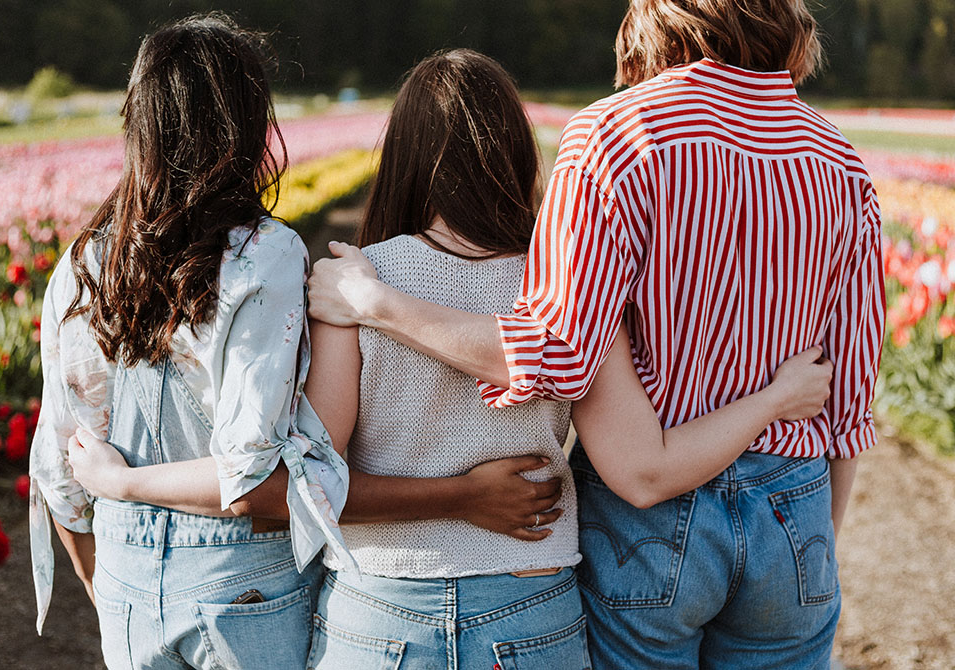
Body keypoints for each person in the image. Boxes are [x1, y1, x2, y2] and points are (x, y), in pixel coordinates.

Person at [305, 2, 886, 669]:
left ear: (657, 22)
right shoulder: (840, 158)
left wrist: (377, 302)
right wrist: (816, 548)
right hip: (796, 506)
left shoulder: (619, 133)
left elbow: (558, 349)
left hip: (659, 517)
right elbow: (850, 392)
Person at [29, 14, 350, 669]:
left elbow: (63, 477)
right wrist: (132, 486)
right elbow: (245, 472)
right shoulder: (266, 255)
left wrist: (109, 585)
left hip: (124, 583)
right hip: (241, 585)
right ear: (245, 123)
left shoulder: (83, 266)